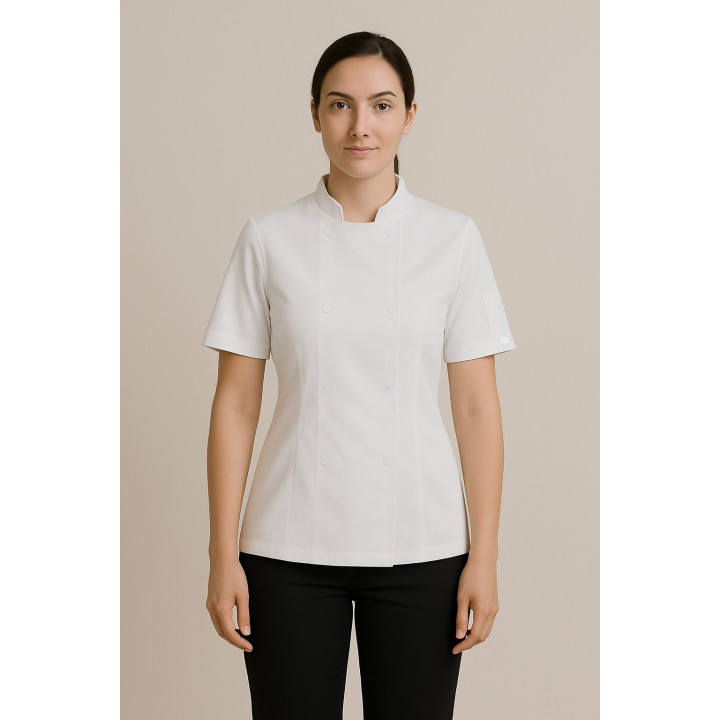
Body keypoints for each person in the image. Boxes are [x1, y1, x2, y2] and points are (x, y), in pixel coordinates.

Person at [201, 31, 517, 720]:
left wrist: (485, 557)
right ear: (315, 114)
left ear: (410, 115)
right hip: (286, 545)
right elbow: (235, 406)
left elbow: (476, 408)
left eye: (381, 105)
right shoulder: (268, 238)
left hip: (424, 543)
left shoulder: (453, 239)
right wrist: (222, 554)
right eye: (340, 104)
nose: (360, 126)